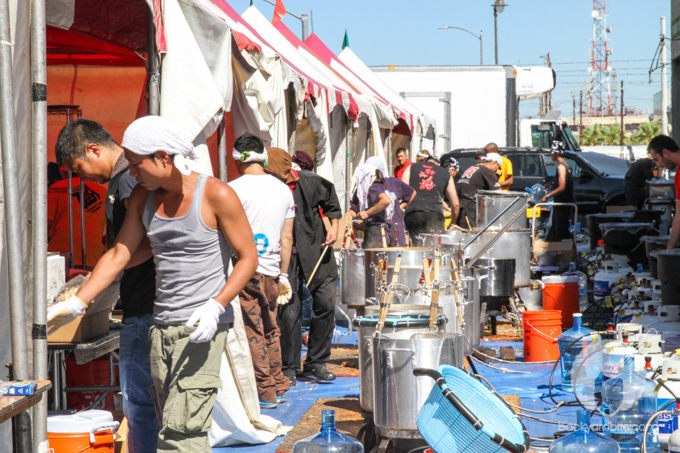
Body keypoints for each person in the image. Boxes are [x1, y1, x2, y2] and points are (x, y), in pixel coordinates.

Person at [48, 115, 259, 452]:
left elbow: (248, 258)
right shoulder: (145, 200)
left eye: (135, 164)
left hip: (201, 327)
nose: (131, 173)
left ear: (162, 157)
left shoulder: (216, 193)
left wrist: (216, 305)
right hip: (160, 329)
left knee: (182, 433)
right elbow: (120, 253)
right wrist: (76, 302)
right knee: (162, 418)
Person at [54, 119, 160, 452]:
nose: (84, 178)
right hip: (140, 300)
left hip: (146, 303)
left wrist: (107, 270)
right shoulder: (124, 180)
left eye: (80, 169)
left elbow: (149, 242)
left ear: (94, 149)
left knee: (139, 403)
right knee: (141, 403)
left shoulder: (129, 180)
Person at [265, 148, 342, 384]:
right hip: (286, 258)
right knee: (289, 311)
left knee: (325, 305)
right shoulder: (267, 189)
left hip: (318, 251)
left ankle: (316, 362)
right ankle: (289, 366)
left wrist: (334, 226)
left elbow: (331, 201)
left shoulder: (308, 181)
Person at [229, 133, 294, 409]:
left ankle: (265, 393)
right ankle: (278, 386)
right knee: (271, 329)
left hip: (244, 270)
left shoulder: (231, 189)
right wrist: (284, 274)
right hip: (272, 271)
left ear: (236, 160)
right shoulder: (283, 190)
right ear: (263, 157)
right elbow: (287, 238)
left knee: (252, 331)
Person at [346, 156, 415, 248]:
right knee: (377, 261)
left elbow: (411, 192)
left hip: (396, 231)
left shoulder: (393, 182)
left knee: (395, 260)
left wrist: (401, 206)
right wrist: (347, 218)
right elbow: (354, 209)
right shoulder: (364, 187)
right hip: (377, 232)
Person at [47, 168, 107, 269]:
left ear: (63, 171)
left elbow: (44, 225)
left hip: (61, 255)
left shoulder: (57, 188)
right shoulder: (103, 191)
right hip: (93, 255)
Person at [401, 156, 459, 236]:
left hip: (414, 213)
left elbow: (403, 192)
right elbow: (455, 204)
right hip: (435, 214)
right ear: (438, 164)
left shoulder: (411, 168)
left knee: (415, 246)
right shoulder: (446, 173)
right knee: (434, 246)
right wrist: (452, 223)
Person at [648, 135, 680, 249]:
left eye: (656, 159)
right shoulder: (678, 177)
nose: (658, 165)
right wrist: (668, 252)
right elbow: (678, 216)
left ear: (665, 152)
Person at [456, 153, 502, 228]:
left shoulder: (473, 168)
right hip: (470, 206)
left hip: (459, 205)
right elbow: (499, 192)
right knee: (472, 234)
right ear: (494, 162)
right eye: (498, 167)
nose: (497, 170)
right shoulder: (487, 171)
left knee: (462, 234)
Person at [541, 141, 574, 242]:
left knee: (558, 231)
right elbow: (564, 181)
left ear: (555, 153)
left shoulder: (561, 167)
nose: (550, 155)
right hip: (567, 201)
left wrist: (547, 196)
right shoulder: (567, 165)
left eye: (551, 152)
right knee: (561, 228)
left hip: (562, 203)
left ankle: (561, 252)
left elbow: (562, 187)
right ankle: (566, 249)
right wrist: (552, 184)